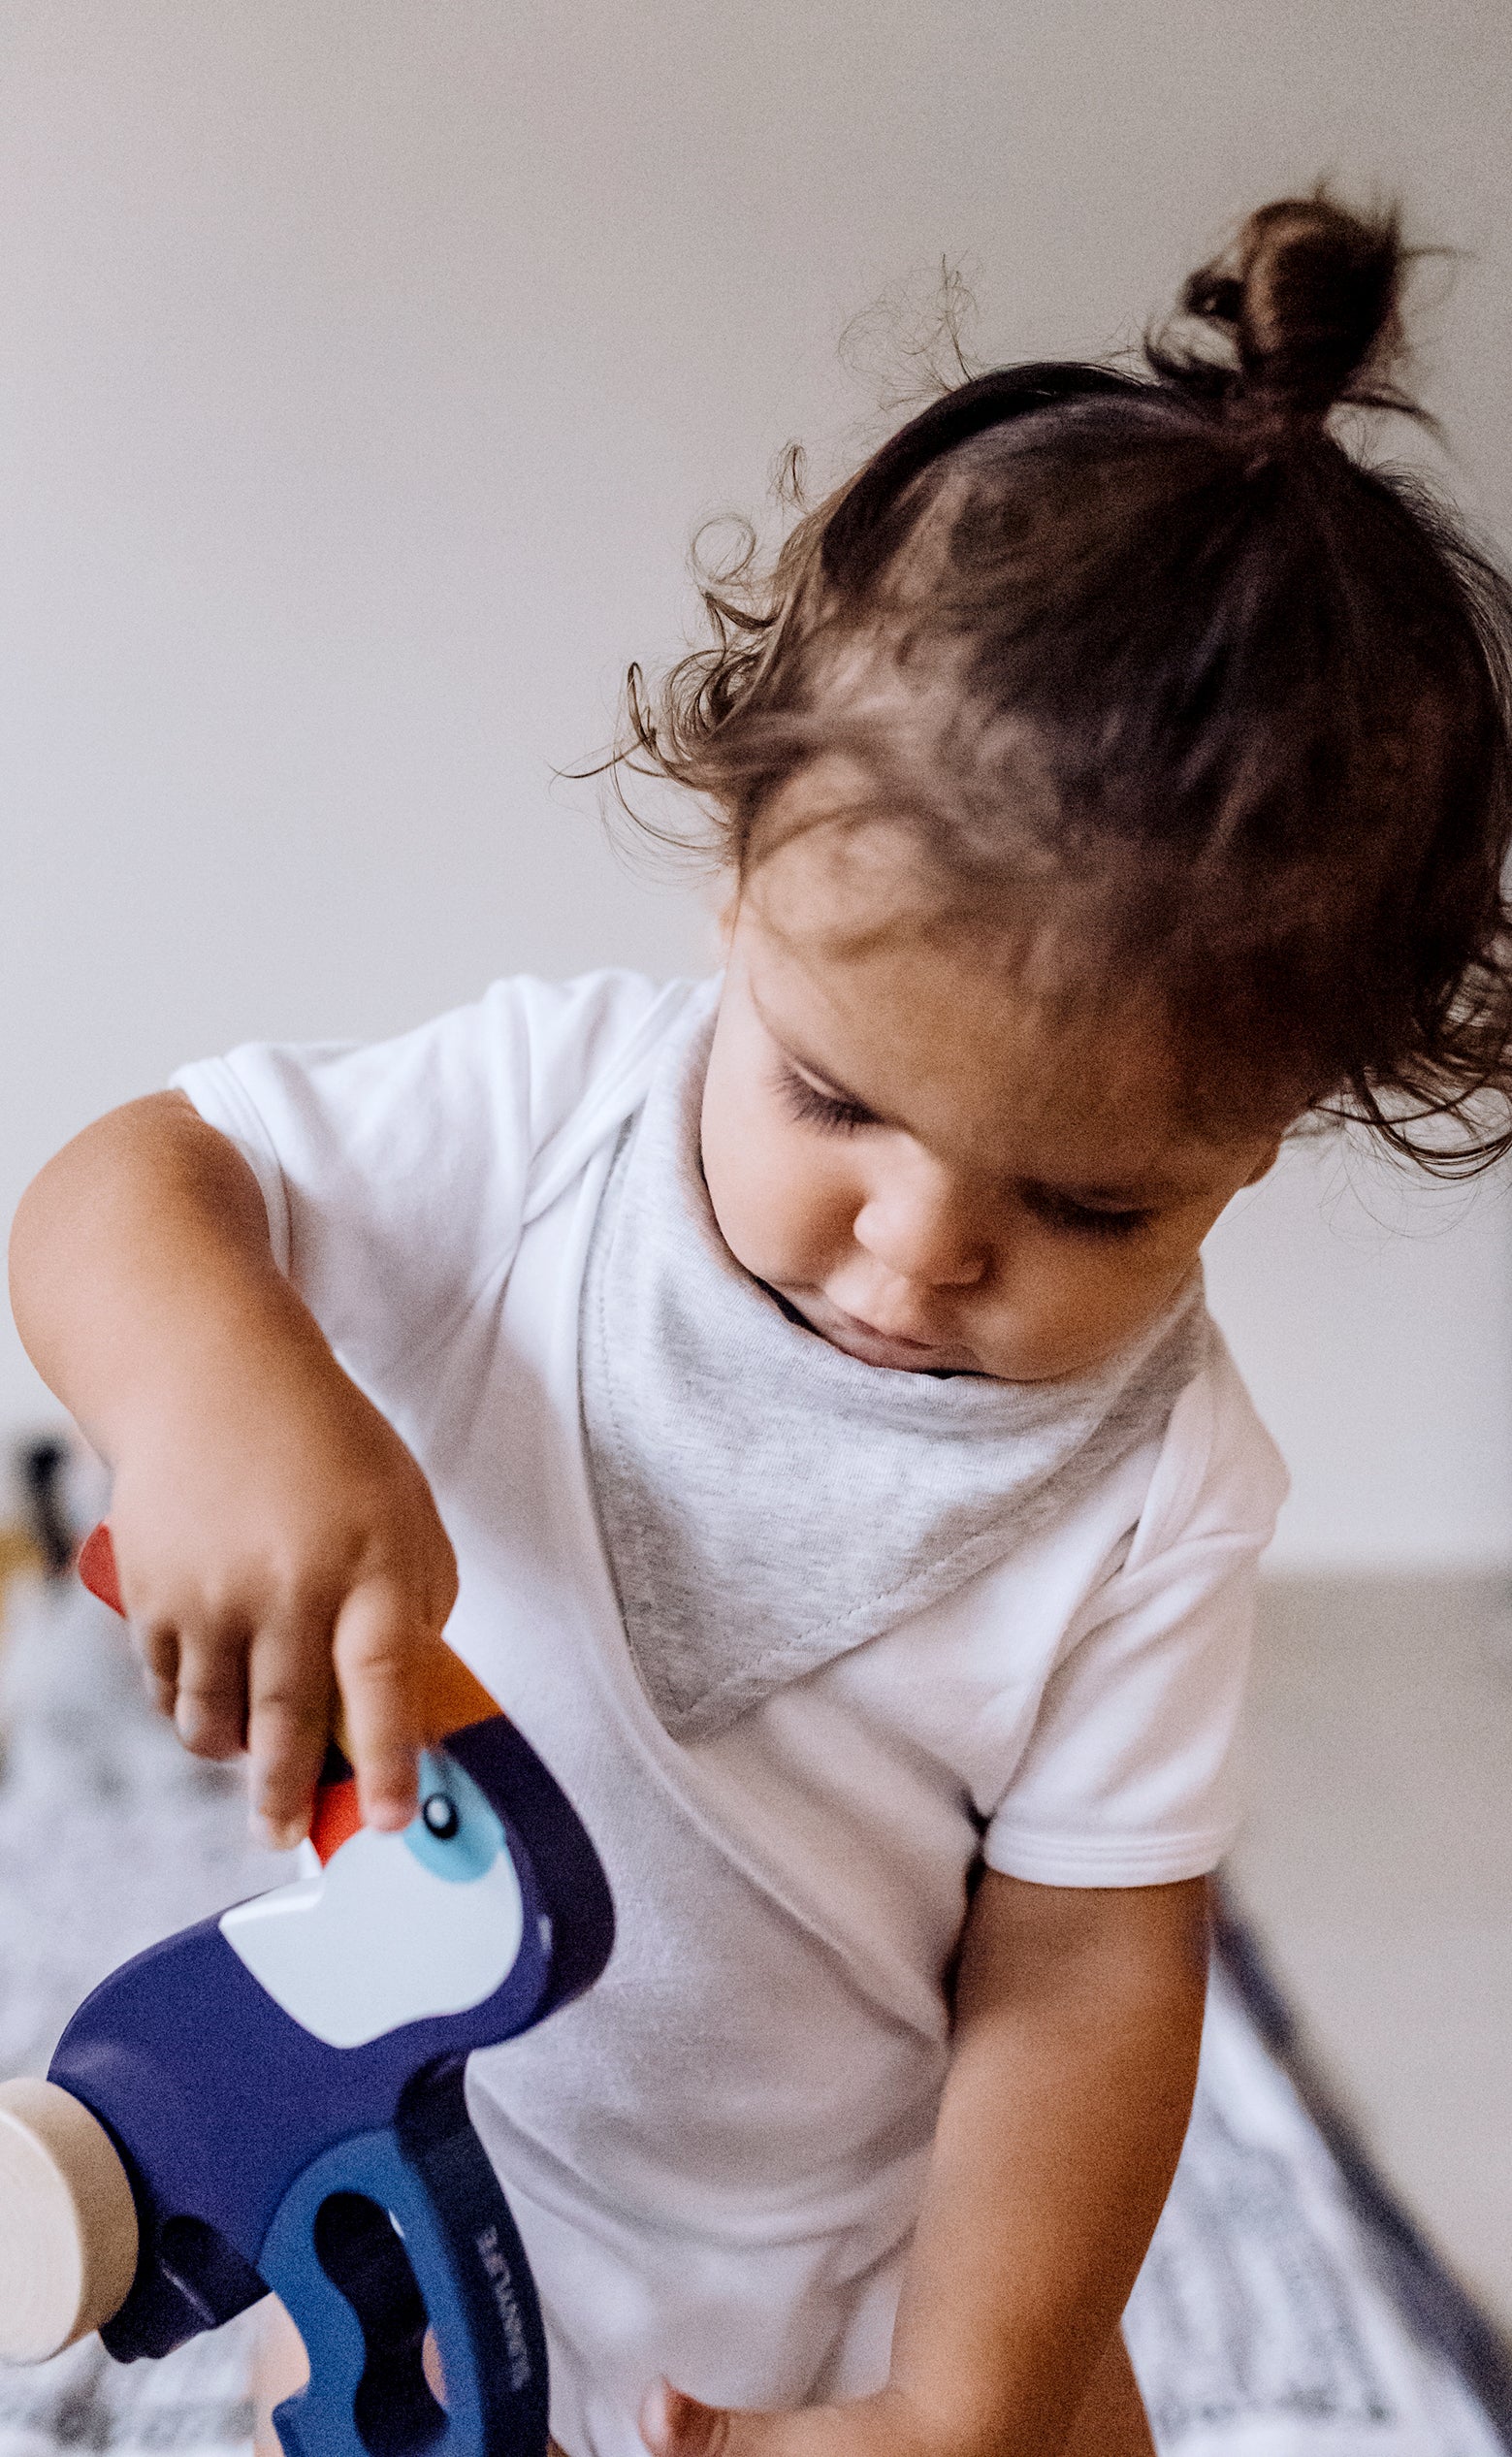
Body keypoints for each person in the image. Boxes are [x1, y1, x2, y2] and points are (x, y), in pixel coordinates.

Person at [12, 193, 1512, 2457]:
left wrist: (974, 2389)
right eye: (832, 1095)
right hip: (426, 2146)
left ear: (1270, 1133)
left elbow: (1088, 1973)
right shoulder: (544, 1127)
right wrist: (224, 1395)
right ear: (736, 881)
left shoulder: (1159, 1484)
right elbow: (129, 1184)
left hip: (868, 2249)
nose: (912, 1252)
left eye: (1087, 1201)